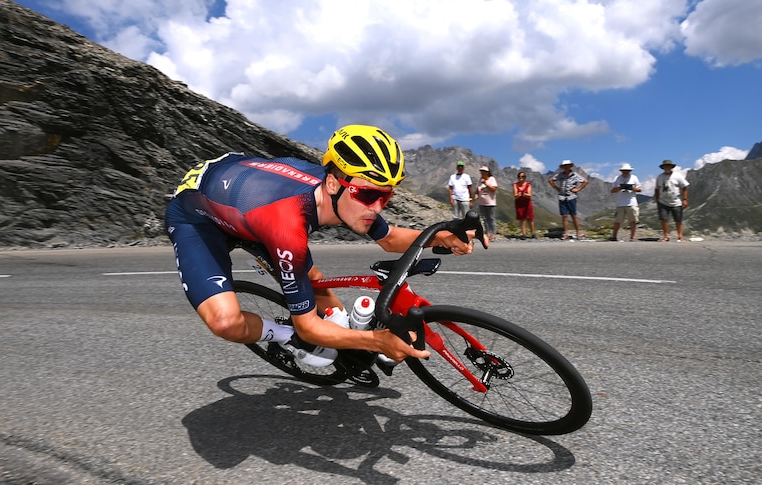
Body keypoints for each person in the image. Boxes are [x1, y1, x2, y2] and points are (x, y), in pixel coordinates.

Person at [165, 125, 477, 367]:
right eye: (369, 195)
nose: (378, 206)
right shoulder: (288, 226)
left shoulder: (343, 193)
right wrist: (376, 342)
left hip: (248, 201)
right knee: (225, 321)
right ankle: (287, 339)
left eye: (387, 196)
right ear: (332, 184)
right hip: (199, 220)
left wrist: (442, 236)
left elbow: (389, 239)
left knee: (317, 289)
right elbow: (311, 327)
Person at [548, 160, 588, 240]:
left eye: (568, 166)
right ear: (563, 167)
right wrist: (556, 188)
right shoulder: (560, 175)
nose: (566, 167)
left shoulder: (575, 175)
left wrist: (578, 189)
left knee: (573, 215)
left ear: (570, 166)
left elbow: (585, 181)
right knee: (564, 216)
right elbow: (550, 180)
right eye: (565, 166)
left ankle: (578, 233)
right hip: (562, 197)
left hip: (571, 197)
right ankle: (566, 233)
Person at [654, 159, 690, 242]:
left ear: (671, 167)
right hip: (663, 201)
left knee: (678, 219)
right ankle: (666, 236)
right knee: (664, 219)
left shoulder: (677, 176)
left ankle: (680, 236)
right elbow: (656, 188)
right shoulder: (659, 177)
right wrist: (657, 198)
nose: (667, 167)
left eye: (668, 166)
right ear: (663, 167)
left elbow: (684, 187)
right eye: (665, 166)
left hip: (676, 201)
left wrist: (685, 199)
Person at [609, 163, 642, 241]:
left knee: (633, 221)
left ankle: (632, 237)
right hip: (620, 203)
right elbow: (612, 190)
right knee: (617, 221)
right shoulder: (617, 178)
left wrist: (632, 188)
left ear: (630, 171)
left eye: (627, 170)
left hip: (631, 202)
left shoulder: (634, 178)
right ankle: (614, 236)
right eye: (624, 170)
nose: (625, 172)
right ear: (621, 171)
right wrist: (619, 188)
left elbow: (640, 189)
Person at [474, 165, 498, 241]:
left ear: (487, 172)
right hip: (482, 203)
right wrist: (477, 195)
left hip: (490, 203)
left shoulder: (492, 179)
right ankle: (488, 233)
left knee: (491, 218)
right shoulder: (480, 180)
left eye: (484, 171)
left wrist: (486, 183)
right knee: (485, 219)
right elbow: (478, 189)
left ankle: (493, 234)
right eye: (481, 171)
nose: (482, 173)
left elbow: (493, 189)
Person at [513, 171, 536, 238]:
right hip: (519, 203)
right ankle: (524, 234)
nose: (521, 178)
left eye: (522, 176)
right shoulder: (515, 185)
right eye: (519, 176)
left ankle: (533, 233)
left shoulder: (528, 184)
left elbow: (529, 195)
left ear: (525, 177)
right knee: (522, 219)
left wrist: (522, 194)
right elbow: (515, 195)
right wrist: (519, 195)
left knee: (530, 218)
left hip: (527, 203)